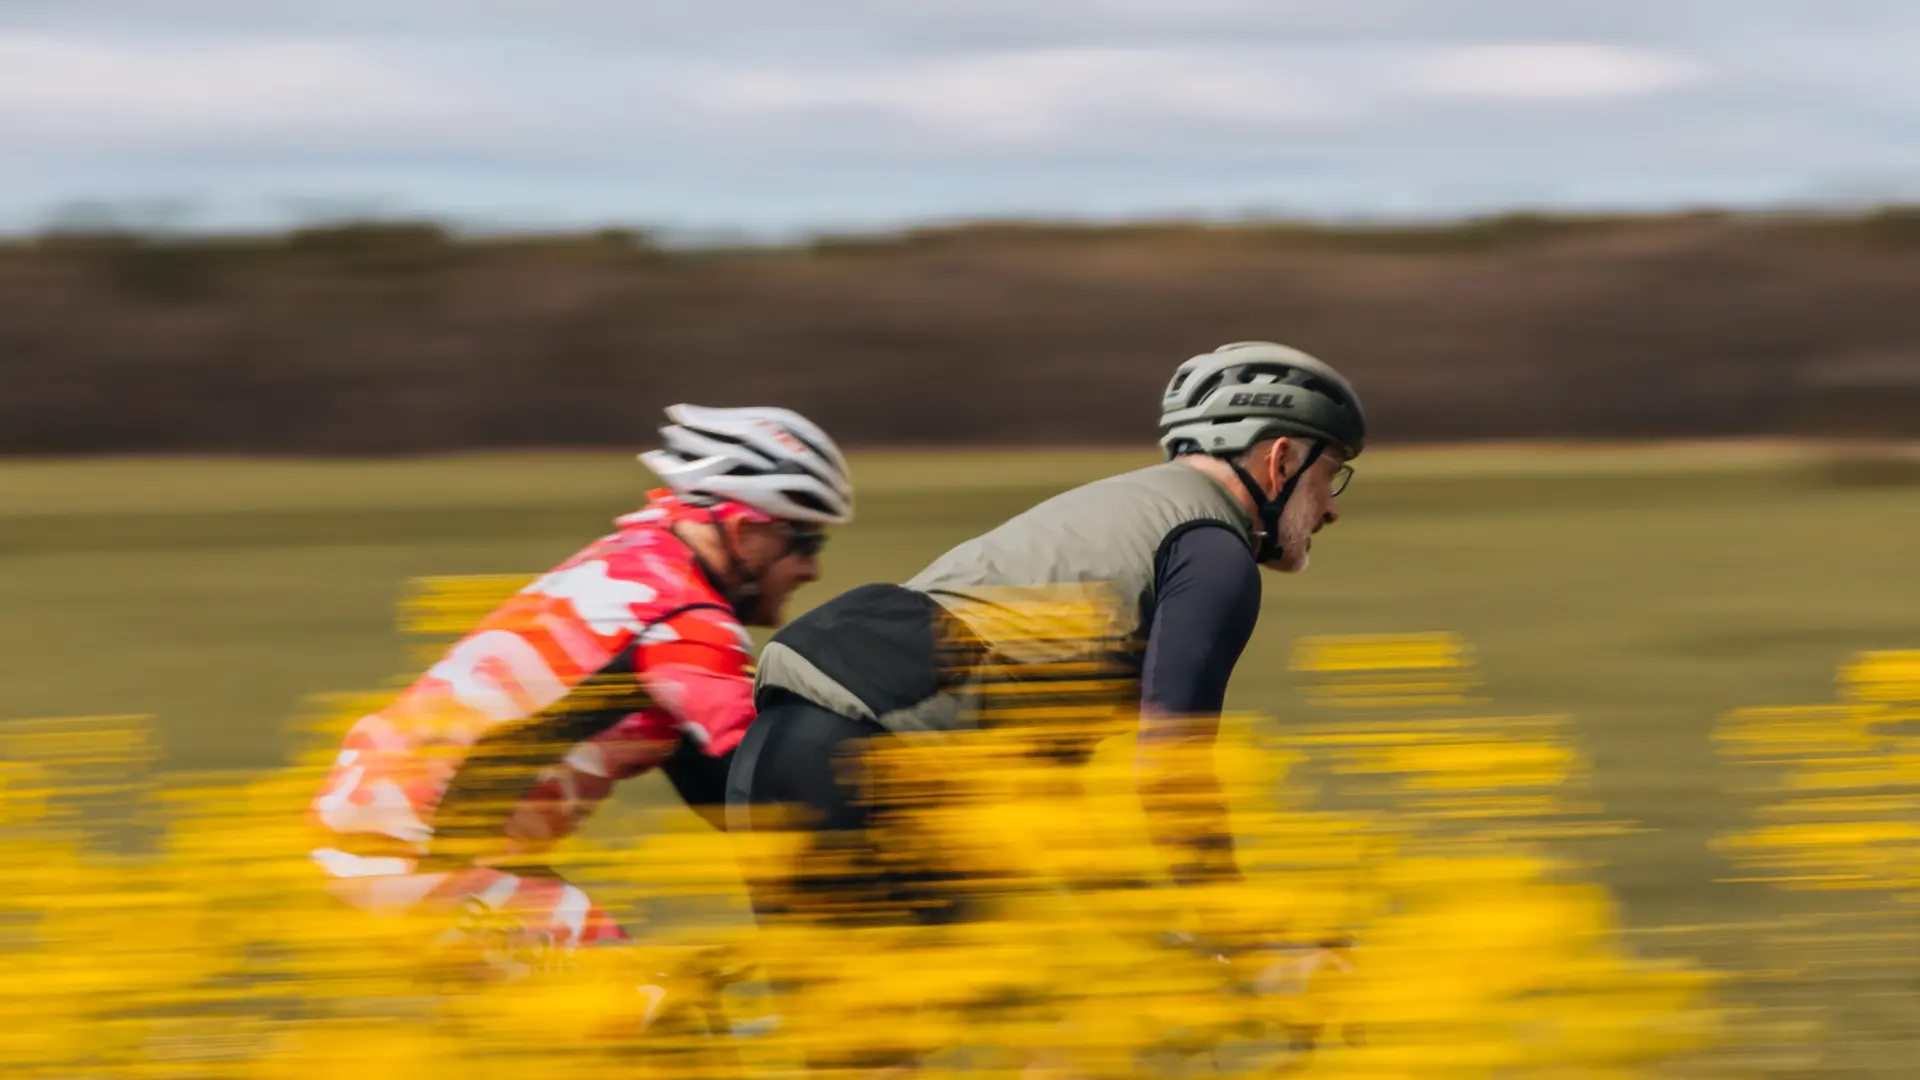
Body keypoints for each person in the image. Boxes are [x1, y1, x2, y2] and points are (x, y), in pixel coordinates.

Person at [725, 341, 1364, 1069]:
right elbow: (1170, 775)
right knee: (1082, 1020)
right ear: (1280, 459)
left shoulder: (1113, 515)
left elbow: (1034, 793)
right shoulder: (1210, 552)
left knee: (879, 1057)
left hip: (781, 757)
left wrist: (1159, 920)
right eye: (1331, 472)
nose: (1333, 506)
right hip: (883, 770)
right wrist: (1244, 933)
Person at [307, 404, 853, 976]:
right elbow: (769, 776)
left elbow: (724, 794)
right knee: (648, 1023)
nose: (811, 570)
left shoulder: (633, 570)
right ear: (745, 531)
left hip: (390, 845)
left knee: (641, 999)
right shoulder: (684, 620)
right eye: (806, 544)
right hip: (411, 858)